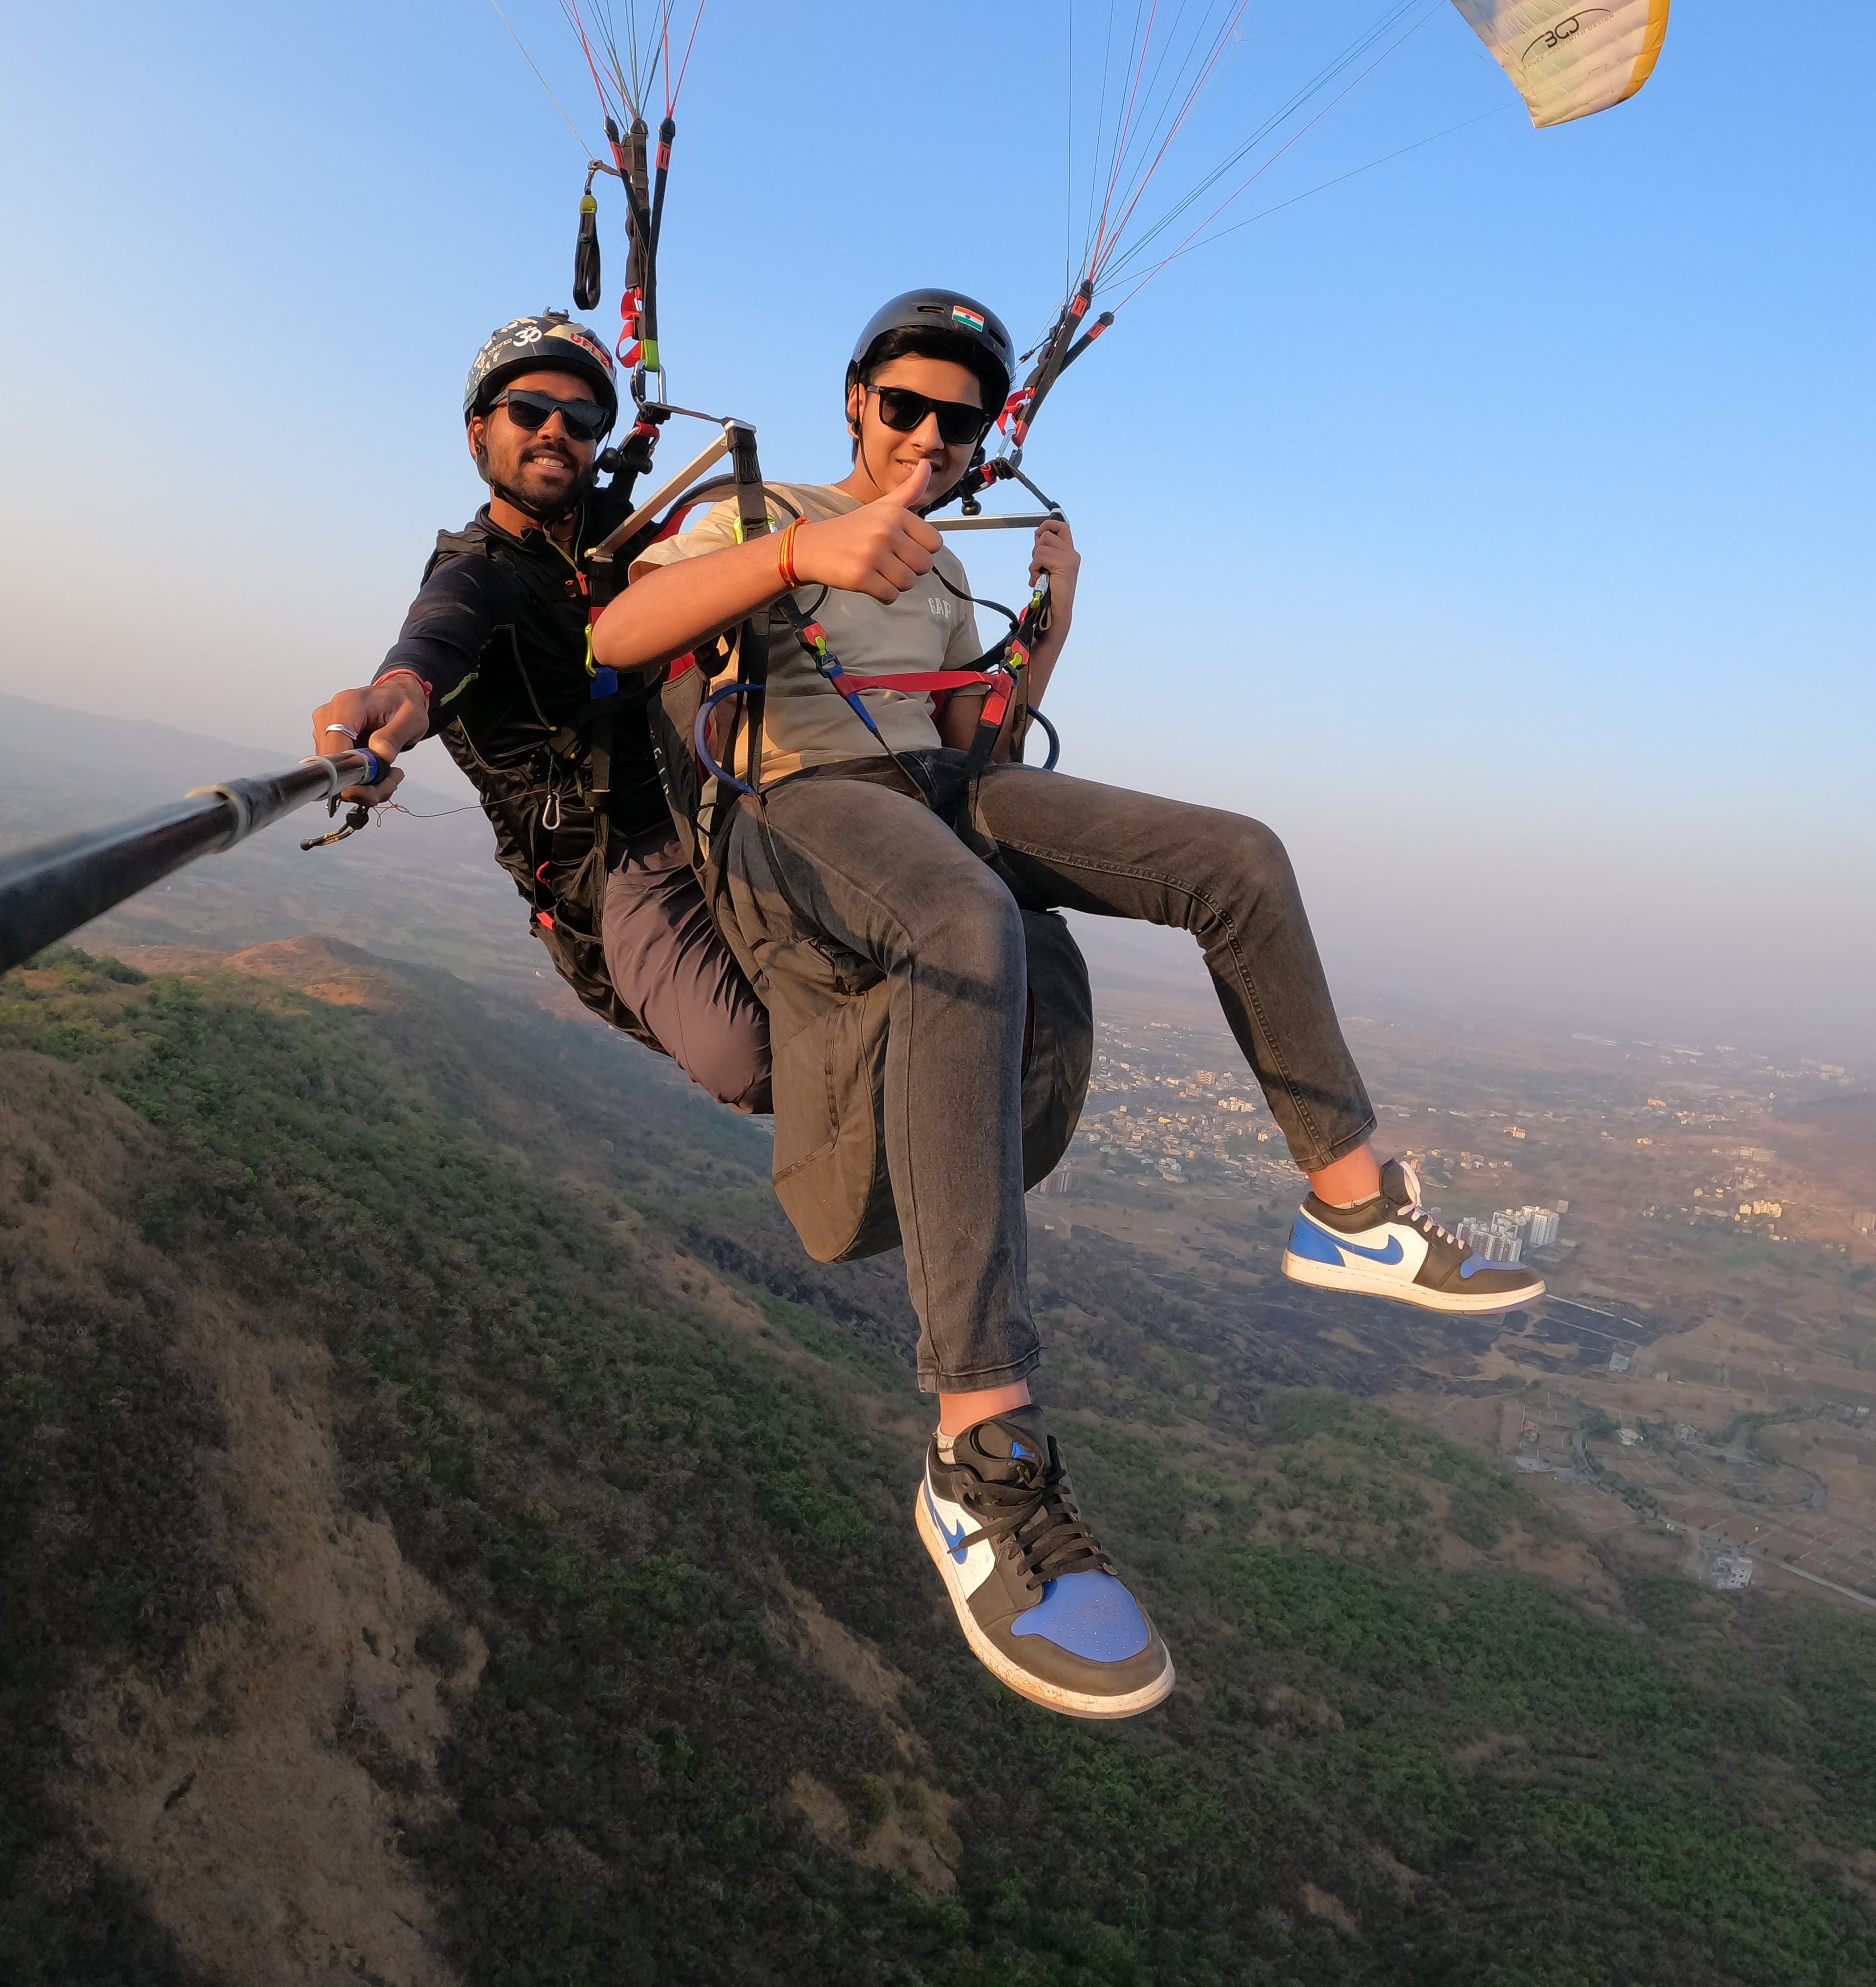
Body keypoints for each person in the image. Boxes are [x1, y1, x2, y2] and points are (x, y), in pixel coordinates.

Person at [591, 288, 1546, 1721]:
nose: (927, 437)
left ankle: (1350, 1210)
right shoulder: (763, 506)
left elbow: (976, 735)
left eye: (955, 420)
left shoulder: (946, 571)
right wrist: (804, 547)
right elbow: (621, 633)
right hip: (795, 806)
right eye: (903, 406)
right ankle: (979, 1453)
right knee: (968, 920)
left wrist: (1055, 617)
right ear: (856, 402)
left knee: (1237, 857)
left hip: (936, 791)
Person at [309, 311, 771, 1110]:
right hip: (613, 867)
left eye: (583, 418)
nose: (556, 430)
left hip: (721, 808)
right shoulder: (475, 578)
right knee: (749, 1061)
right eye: (530, 410)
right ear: (479, 434)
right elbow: (434, 646)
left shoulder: (628, 532)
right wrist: (395, 697)